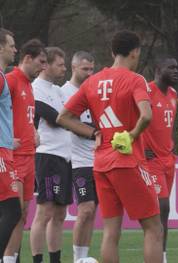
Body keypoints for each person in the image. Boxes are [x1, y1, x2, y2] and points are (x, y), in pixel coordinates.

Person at [56, 30, 163, 263]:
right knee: (154, 228)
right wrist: (132, 135)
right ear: (135, 52)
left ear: (112, 52)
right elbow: (146, 116)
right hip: (127, 162)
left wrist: (95, 133)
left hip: (101, 164)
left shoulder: (92, 82)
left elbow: (63, 117)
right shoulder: (135, 79)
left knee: (110, 231)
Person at [3, 38, 47, 263]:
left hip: (30, 157)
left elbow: (21, 117)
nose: (43, 67)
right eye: (41, 61)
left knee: (21, 215)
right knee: (12, 212)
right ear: (27, 58)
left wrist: (33, 132)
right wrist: (6, 139)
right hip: (13, 158)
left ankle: (11, 259)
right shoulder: (10, 80)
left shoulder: (29, 86)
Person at [30, 46, 70, 263]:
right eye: (60, 64)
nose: (64, 68)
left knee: (60, 213)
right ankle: (37, 260)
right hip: (48, 156)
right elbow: (57, 120)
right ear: (46, 65)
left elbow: (67, 118)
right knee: (44, 212)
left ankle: (55, 260)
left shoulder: (58, 91)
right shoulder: (36, 89)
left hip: (65, 157)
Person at [60, 51, 97, 262]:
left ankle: (83, 256)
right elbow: (67, 122)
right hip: (78, 161)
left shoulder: (93, 91)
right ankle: (76, 258)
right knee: (85, 209)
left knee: (92, 212)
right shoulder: (64, 92)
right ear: (74, 68)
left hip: (98, 159)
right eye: (85, 69)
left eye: (92, 69)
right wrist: (94, 130)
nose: (89, 73)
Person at [142, 56, 178, 263]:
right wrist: (140, 146)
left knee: (164, 211)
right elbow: (132, 117)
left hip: (168, 159)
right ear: (158, 69)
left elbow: (167, 126)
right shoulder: (146, 91)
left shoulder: (173, 94)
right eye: (170, 67)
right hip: (151, 161)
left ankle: (162, 254)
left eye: (177, 68)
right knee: (162, 207)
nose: (176, 71)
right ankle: (160, 257)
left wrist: (171, 144)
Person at [0, 27, 21, 261]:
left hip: (5, 148)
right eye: (11, 44)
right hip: (0, 153)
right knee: (12, 210)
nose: (15, 48)